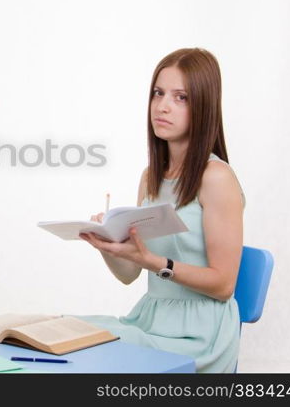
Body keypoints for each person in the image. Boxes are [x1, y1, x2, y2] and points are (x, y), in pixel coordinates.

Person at [77, 48, 244, 372]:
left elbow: (224, 285)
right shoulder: (150, 177)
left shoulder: (216, 178)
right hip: (151, 319)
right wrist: (107, 244)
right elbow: (130, 274)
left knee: (94, 347)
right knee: (67, 329)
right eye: (158, 93)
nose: (163, 106)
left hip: (201, 334)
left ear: (204, 107)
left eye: (181, 97)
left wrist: (155, 262)